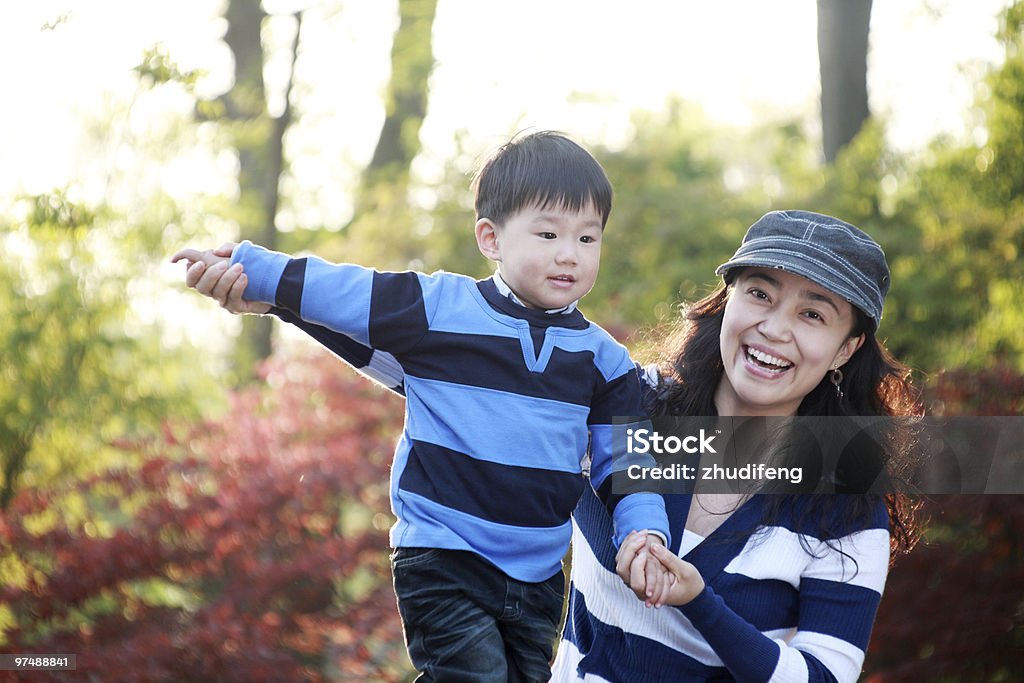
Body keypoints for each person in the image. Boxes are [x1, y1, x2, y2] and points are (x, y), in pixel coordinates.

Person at [187, 209, 920, 682]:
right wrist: (276, 295)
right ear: (727, 302)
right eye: (759, 294)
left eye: (812, 313)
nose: (774, 327)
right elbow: (448, 373)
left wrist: (701, 603)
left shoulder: (846, 507)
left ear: (847, 346)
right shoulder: (624, 404)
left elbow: (822, 677)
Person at [172, 131, 673, 683]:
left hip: (538, 577)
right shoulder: (440, 308)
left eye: (587, 237)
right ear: (491, 237)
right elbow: (345, 292)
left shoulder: (604, 360)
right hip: (444, 556)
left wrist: (643, 532)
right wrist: (250, 268)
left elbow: (628, 460)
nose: (568, 253)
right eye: (548, 232)